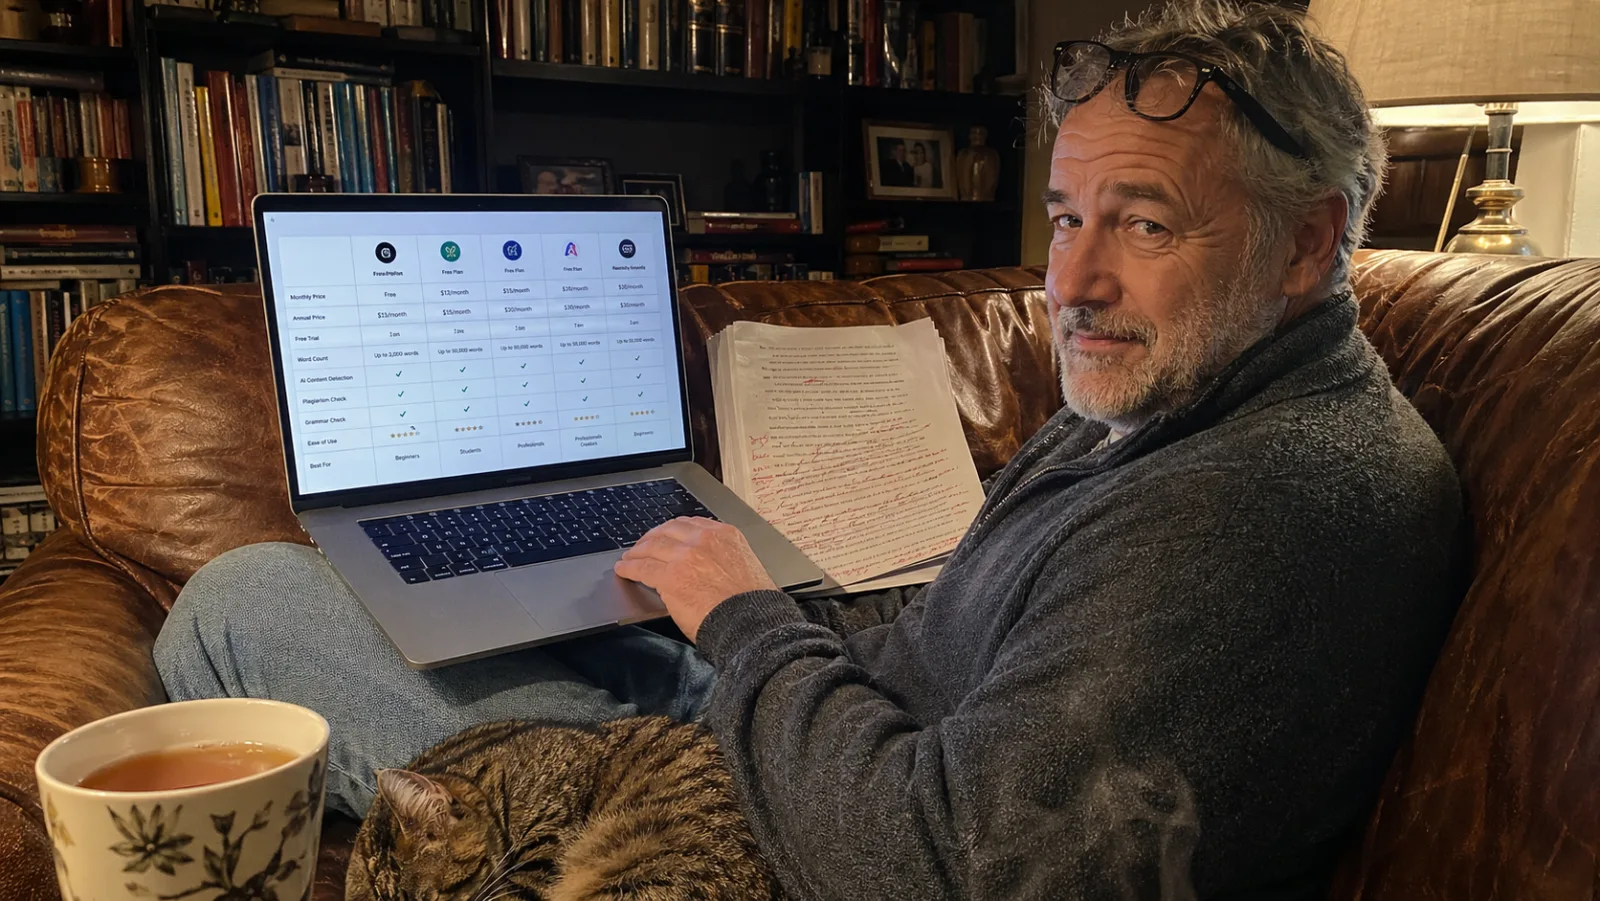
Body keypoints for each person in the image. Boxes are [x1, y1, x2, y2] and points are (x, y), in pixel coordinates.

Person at [154, 0, 1466, 896]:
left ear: (1308, 239)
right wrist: (773, 607)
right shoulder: (1203, 398)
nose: (1076, 282)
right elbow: (997, 641)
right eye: (1067, 216)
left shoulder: (1258, 514)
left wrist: (746, 627)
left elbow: (931, 861)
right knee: (480, 591)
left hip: (760, 823)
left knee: (237, 605)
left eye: (1148, 225)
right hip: (807, 711)